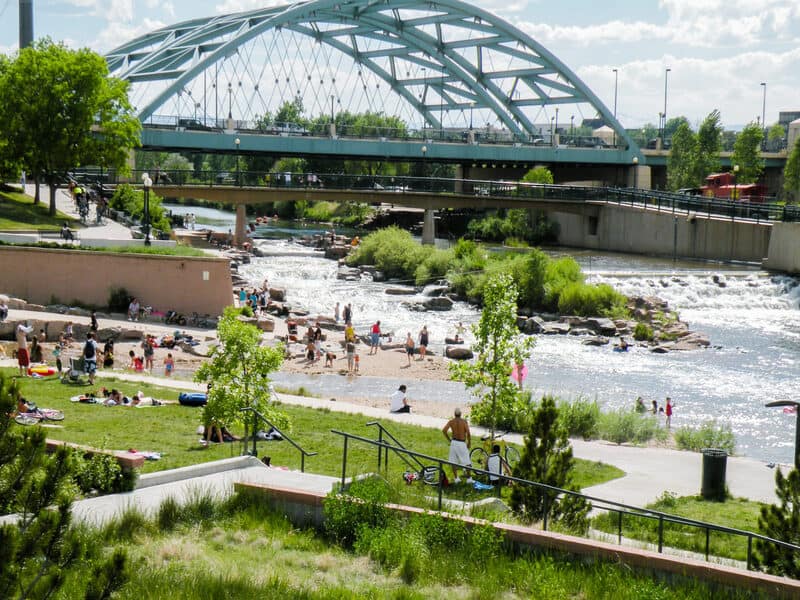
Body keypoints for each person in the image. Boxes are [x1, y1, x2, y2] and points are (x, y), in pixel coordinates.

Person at [442, 408, 472, 484]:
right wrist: (469, 443)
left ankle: (456, 478)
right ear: (461, 414)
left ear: (454, 414)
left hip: (454, 442)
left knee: (453, 461)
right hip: (461, 442)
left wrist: (449, 439)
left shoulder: (451, 422)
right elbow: (468, 433)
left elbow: (444, 430)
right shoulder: (464, 422)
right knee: (467, 461)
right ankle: (469, 479)